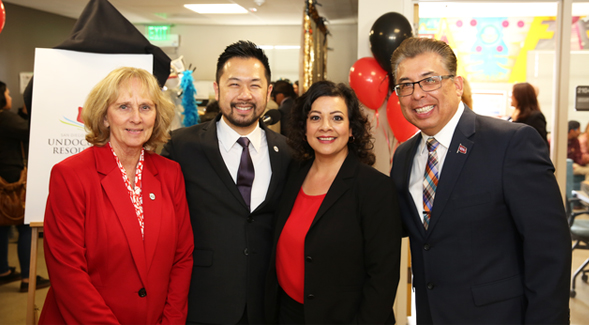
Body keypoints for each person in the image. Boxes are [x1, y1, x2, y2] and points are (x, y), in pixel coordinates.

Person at [389, 37, 571, 324]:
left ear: (457, 85)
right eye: (406, 85)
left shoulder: (511, 143)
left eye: (429, 80)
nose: (417, 94)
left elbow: (549, 251)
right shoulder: (403, 157)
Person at [39, 67, 194, 324]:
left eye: (145, 107)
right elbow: (67, 272)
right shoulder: (70, 175)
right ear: (104, 117)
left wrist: (171, 320)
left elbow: (182, 256)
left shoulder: (170, 173)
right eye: (124, 107)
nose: (136, 118)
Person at [161, 40, 292, 325]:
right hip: (204, 302)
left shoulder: (290, 153)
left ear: (268, 92)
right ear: (217, 90)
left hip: (267, 305)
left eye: (255, 85)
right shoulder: (181, 147)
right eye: (234, 84)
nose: (244, 95)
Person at [265, 81, 401, 324]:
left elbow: (383, 278)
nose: (325, 127)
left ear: (351, 129)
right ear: (304, 127)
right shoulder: (292, 174)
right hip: (288, 314)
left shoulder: (375, 188)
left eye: (337, 118)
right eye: (315, 118)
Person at [0, 81, 51, 292]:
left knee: (2, 226)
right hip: (14, 180)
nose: (10, 97)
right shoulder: (5, 117)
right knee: (25, 226)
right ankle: (27, 280)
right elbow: (34, 131)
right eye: (8, 93)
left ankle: (3, 270)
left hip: (3, 179)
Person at [510, 82, 548, 146]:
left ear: (520, 96)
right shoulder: (515, 116)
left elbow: (540, 143)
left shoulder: (535, 117)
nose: (511, 96)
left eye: (513, 93)